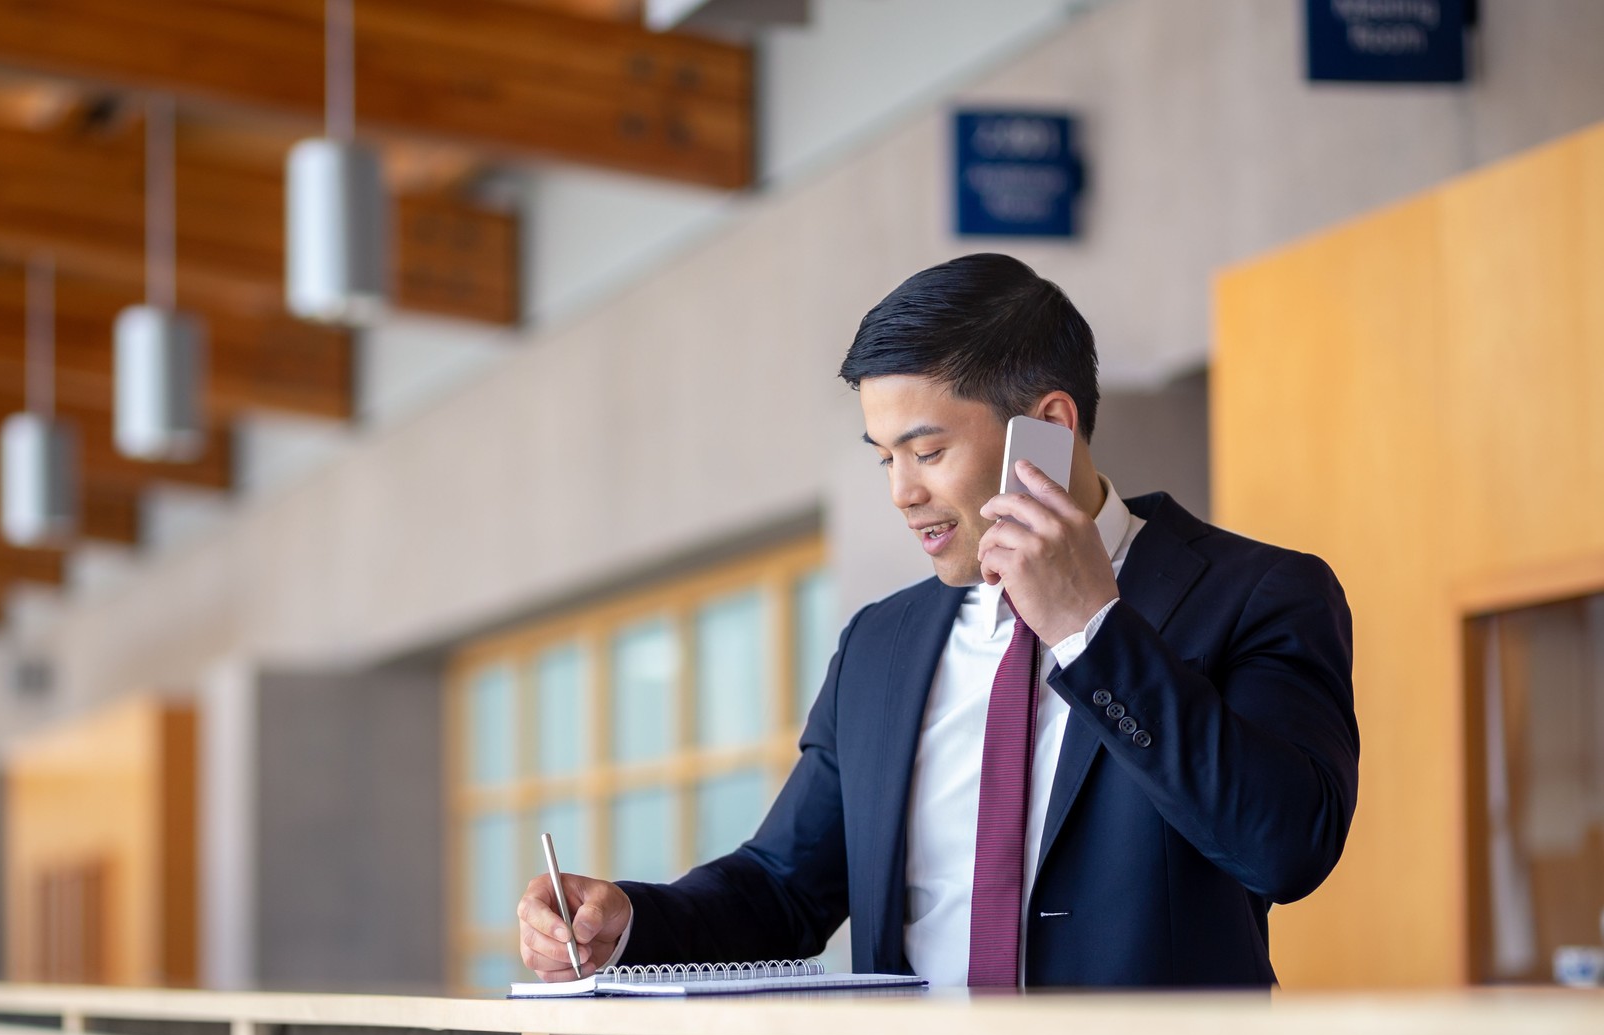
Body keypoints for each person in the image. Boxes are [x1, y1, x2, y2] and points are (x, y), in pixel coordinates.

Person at [517, 253, 1359, 988]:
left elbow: (1284, 847)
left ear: (1050, 428)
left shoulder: (1260, 593)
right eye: (885, 458)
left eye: (927, 452)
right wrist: (625, 923)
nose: (901, 493)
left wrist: (1090, 631)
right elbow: (784, 888)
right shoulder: (881, 646)